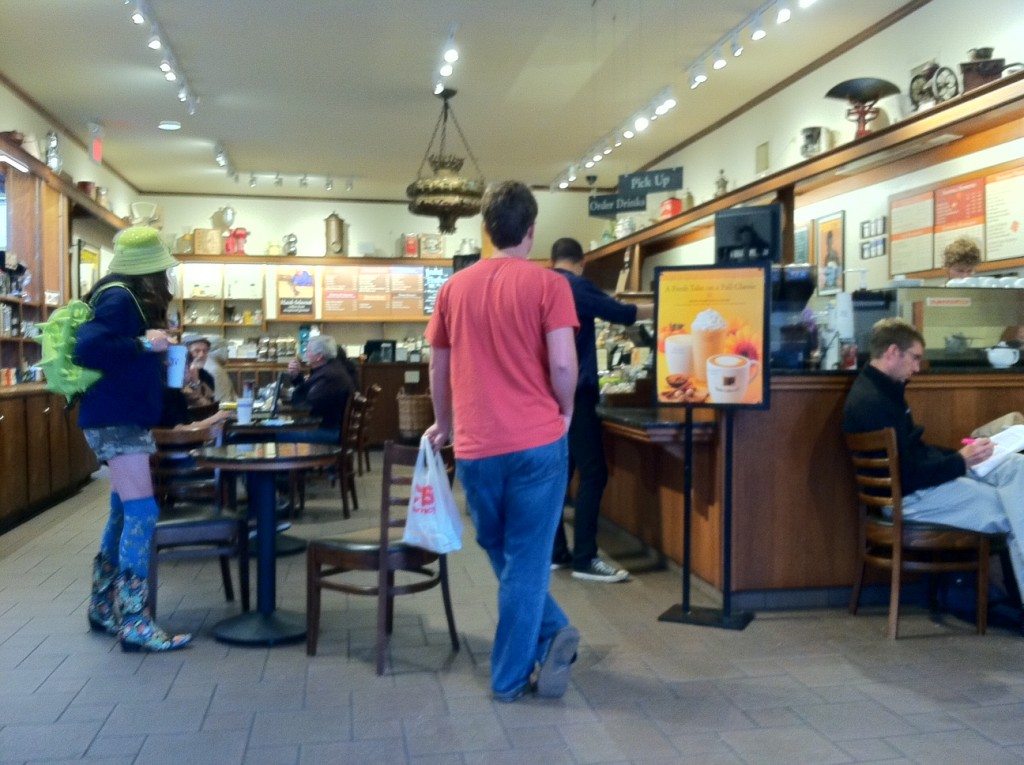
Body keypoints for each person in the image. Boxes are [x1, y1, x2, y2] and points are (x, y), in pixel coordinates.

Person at [424, 181, 581, 702]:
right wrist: (567, 410)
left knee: (502, 548)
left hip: (475, 446)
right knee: (527, 559)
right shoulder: (550, 285)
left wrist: (443, 423)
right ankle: (513, 674)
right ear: (531, 231)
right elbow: (562, 362)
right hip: (538, 443)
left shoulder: (453, 289)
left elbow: (438, 366)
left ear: (485, 230)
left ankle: (549, 634)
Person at [842, 317, 1024, 598]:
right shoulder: (876, 402)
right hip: (909, 497)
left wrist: (963, 457)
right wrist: (960, 462)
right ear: (892, 352)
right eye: (914, 358)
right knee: (1014, 510)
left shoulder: (875, 390)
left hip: (908, 492)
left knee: (1015, 471)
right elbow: (910, 474)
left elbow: (913, 453)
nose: (917, 368)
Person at [74, 226, 192, 652]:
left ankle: (105, 606)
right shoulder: (121, 297)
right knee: (142, 513)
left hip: (113, 416)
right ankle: (136, 620)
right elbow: (87, 347)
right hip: (117, 419)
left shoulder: (112, 293)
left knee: (123, 512)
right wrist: (145, 342)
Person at [549, 237, 652, 582]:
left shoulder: (543, 285)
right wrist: (669, 305)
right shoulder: (576, 285)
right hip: (576, 394)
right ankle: (585, 559)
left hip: (546, 397)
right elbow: (623, 315)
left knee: (561, 474)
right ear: (580, 262)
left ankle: (557, 552)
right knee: (594, 473)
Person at [284, 334, 355, 442]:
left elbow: (307, 406)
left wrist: (294, 393)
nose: (306, 354)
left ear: (319, 357)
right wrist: (296, 377)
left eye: (308, 351)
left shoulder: (329, 376)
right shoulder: (331, 368)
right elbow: (309, 394)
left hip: (328, 432)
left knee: (272, 434)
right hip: (329, 427)